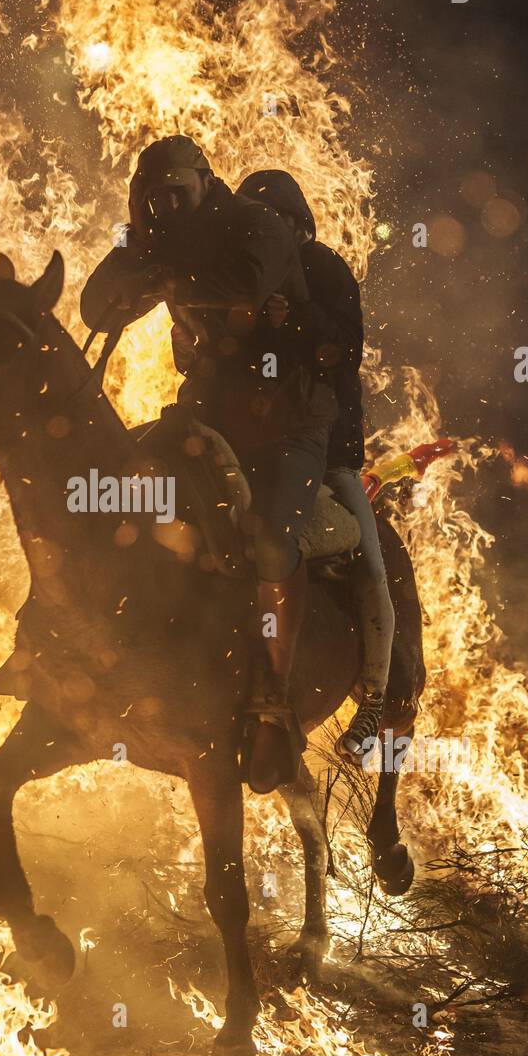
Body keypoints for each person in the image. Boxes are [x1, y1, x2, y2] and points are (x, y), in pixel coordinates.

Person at [80, 135, 340, 792]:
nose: (166, 206)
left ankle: (273, 707)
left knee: (275, 545)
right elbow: (94, 307)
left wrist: (161, 269)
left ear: (203, 183)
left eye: (176, 193)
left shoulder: (254, 227)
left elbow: (243, 285)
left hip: (285, 425)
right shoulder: (157, 238)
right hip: (205, 416)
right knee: (110, 493)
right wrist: (134, 248)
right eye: (153, 198)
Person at [236, 170, 395, 762]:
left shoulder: (324, 269)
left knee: (373, 566)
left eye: (271, 221)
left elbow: (343, 353)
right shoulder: (246, 276)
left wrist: (293, 317)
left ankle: (375, 696)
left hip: (330, 453)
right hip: (257, 444)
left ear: (296, 224)